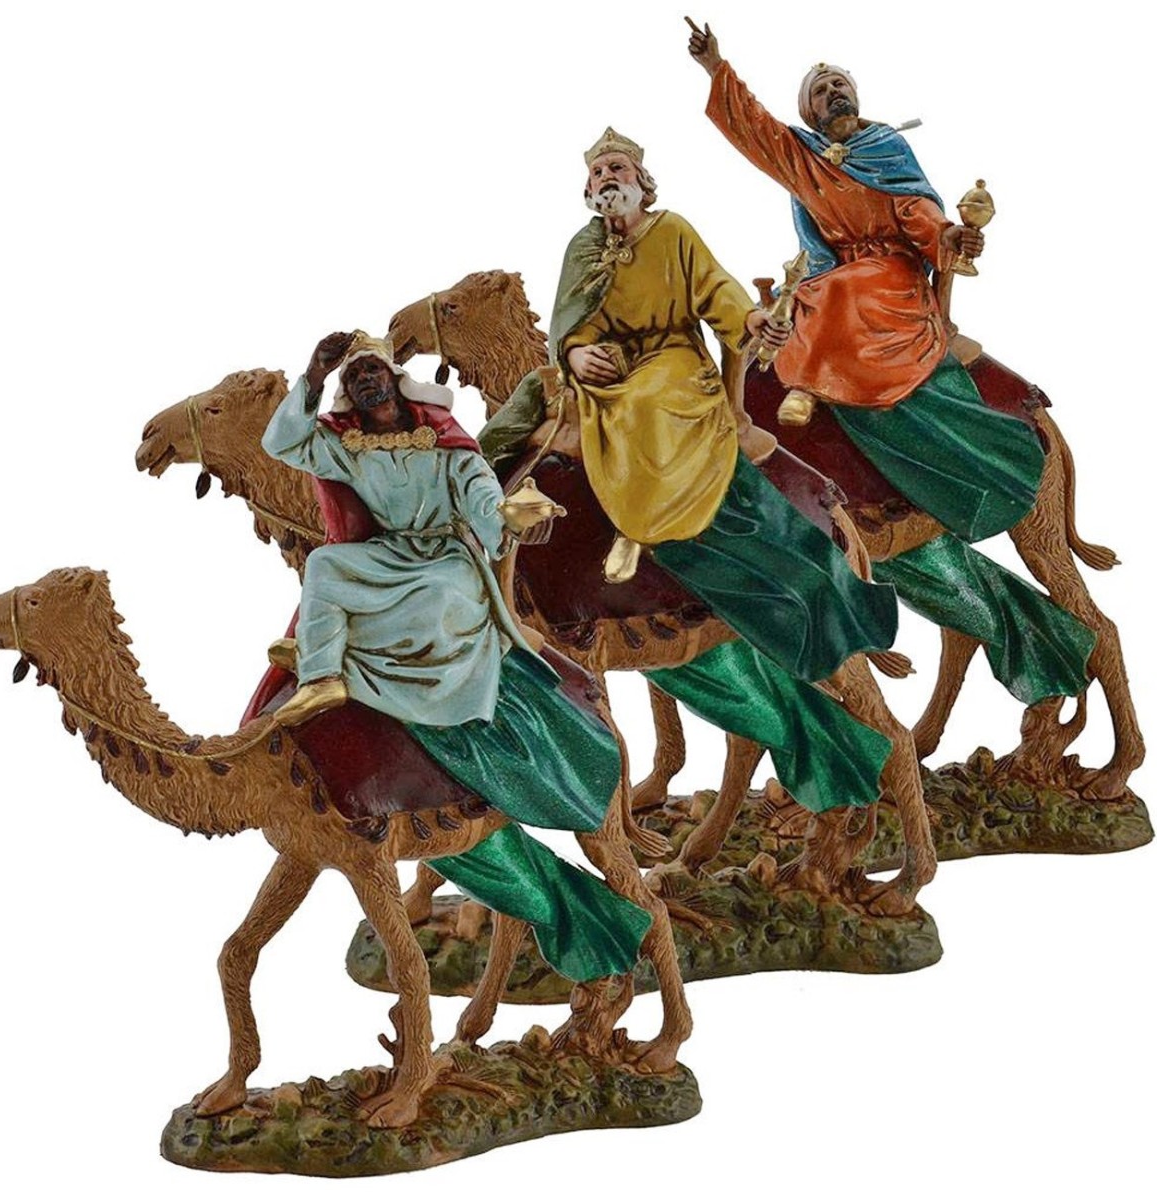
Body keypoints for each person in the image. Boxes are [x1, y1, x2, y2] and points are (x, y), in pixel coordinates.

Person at [478, 130, 899, 818]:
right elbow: (565, 324)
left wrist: (751, 321)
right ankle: (475, 509)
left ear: (642, 181)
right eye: (598, 171)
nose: (607, 178)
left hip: (671, 364)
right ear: (588, 189)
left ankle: (645, 522)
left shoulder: (672, 231)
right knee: (529, 418)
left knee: (650, 403)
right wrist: (577, 353)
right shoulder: (583, 248)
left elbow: (717, 292)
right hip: (603, 376)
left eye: (618, 168)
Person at [685, 22, 1094, 706]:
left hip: (889, 282)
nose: (834, 92)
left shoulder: (885, 148)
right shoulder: (807, 159)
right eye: (820, 90)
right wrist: (716, 68)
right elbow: (759, 132)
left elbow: (919, 213)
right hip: (827, 281)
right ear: (809, 110)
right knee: (800, 301)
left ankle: (814, 383)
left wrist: (950, 236)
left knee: (840, 290)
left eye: (839, 83)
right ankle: (803, 381)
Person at [255, 329, 652, 982]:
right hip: (389, 558)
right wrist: (312, 375)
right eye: (353, 379)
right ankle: (324, 676)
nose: (366, 384)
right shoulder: (348, 445)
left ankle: (433, 689)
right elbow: (281, 443)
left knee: (438, 595)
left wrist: (509, 518)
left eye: (372, 372)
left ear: (393, 378)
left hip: (446, 560)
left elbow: (483, 501)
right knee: (325, 566)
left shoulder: (442, 440)